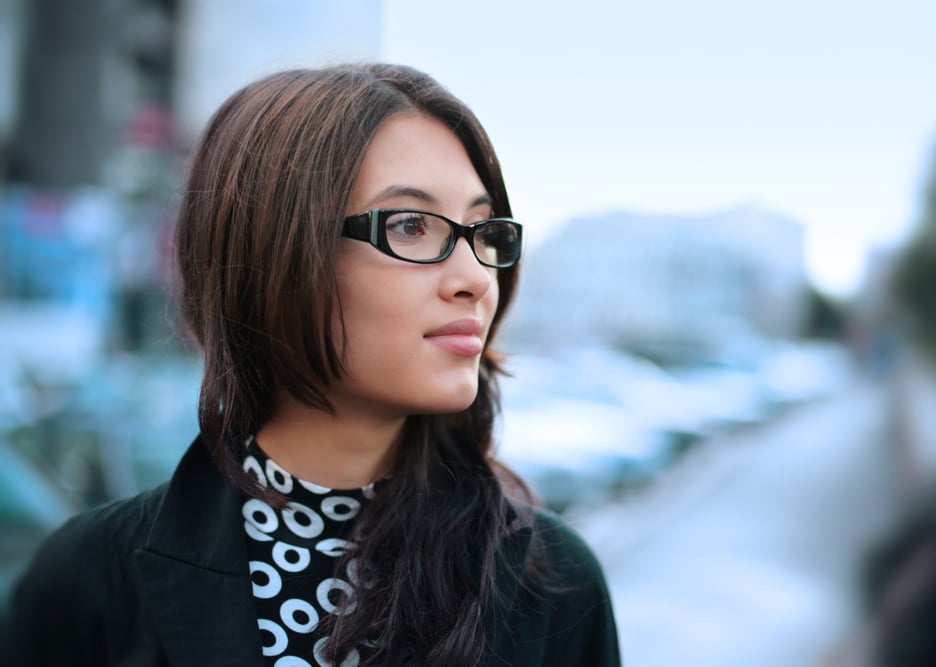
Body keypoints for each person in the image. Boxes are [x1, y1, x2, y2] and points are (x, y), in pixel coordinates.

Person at [2, 63, 620, 666]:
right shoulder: (91, 581)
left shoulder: (554, 584)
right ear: (271, 251)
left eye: (483, 231)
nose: (474, 278)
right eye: (410, 225)